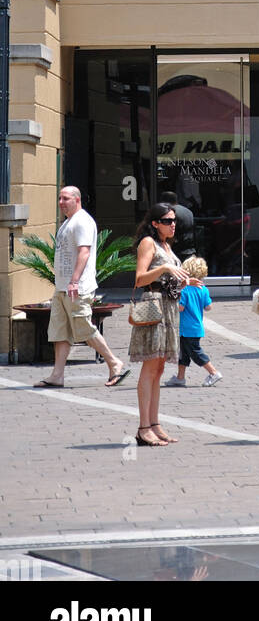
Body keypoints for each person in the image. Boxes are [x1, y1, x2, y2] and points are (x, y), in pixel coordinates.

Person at [35, 185, 130, 389]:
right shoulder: (68, 222)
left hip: (76, 287)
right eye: (60, 198)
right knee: (60, 332)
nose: (61, 202)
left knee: (83, 328)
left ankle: (114, 362)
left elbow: (84, 252)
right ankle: (57, 375)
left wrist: (74, 281)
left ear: (77, 200)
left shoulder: (82, 221)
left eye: (66, 198)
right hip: (62, 288)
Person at [129, 202, 201, 446]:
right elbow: (139, 279)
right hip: (155, 306)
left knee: (159, 369)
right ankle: (143, 427)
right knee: (150, 367)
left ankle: (154, 423)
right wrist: (164, 268)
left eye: (174, 221)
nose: (173, 225)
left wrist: (185, 282)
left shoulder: (166, 245)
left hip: (169, 306)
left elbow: (167, 280)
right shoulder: (148, 243)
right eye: (168, 221)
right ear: (155, 223)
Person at [163, 256, 222, 388]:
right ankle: (180, 377)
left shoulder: (184, 290)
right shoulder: (203, 289)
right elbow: (208, 307)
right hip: (196, 327)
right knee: (183, 353)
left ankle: (213, 372)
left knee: (195, 352)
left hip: (185, 327)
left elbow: (180, 307)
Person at [159, 190, 196, 262]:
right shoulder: (189, 212)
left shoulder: (170, 213)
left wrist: (166, 254)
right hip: (190, 251)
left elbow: (171, 236)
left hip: (176, 253)